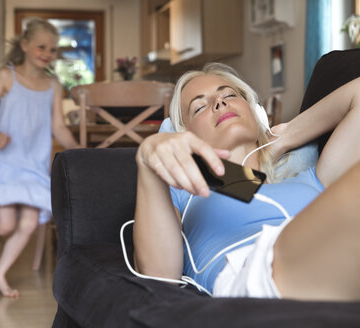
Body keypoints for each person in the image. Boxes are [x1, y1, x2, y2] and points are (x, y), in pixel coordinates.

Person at [133, 62, 360, 301]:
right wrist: (149, 161)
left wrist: (286, 136)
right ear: (185, 135)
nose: (219, 103)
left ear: (256, 113)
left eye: (230, 95)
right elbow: (159, 278)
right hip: (256, 274)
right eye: (199, 107)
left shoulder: (314, 178)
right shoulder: (186, 186)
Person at [0, 17, 80, 298]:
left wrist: (80, 149)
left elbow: (58, 126)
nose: (47, 53)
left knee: (30, 224)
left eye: (52, 49)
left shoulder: (53, 86)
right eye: (41, 47)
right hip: (3, 163)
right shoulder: (6, 76)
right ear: (24, 46)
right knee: (5, 224)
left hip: (32, 167)